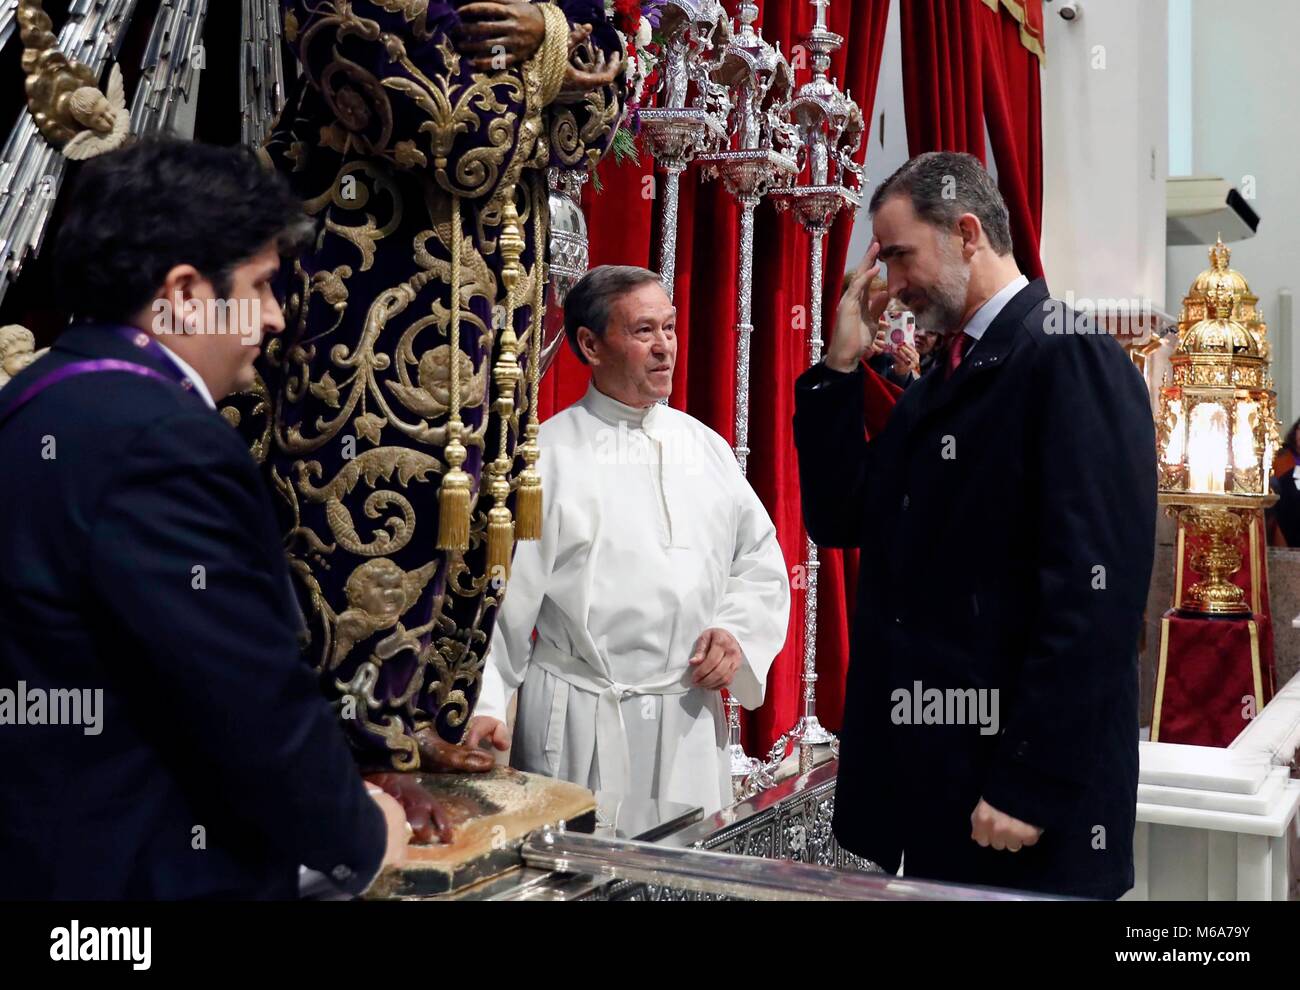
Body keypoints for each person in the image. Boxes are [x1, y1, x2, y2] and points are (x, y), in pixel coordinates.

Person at [0, 140, 409, 899]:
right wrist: (359, 832)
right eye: (259, 286)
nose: (277, 317)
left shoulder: (35, 399)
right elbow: (244, 696)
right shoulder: (164, 442)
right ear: (186, 293)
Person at [246, 0, 626, 774]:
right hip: (364, 289)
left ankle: (417, 709)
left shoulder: (529, 9)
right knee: (368, 502)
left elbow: (589, 119)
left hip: (491, 302)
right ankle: (343, 743)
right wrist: (550, 64)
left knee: (476, 507)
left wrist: (547, 39)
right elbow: (450, 135)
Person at [793, 152, 1156, 899]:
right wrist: (837, 368)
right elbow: (842, 517)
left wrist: (1031, 779)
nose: (890, 286)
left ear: (966, 232)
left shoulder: (1067, 352)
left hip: (1020, 804)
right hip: (942, 789)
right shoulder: (952, 370)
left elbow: (1096, 600)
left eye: (899, 255)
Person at [464, 266, 790, 815]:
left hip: (686, 714)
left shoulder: (703, 447)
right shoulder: (547, 456)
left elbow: (758, 559)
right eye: (643, 332)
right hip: (580, 719)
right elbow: (503, 604)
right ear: (590, 344)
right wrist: (487, 703)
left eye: (670, 328)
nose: (665, 348)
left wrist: (735, 633)